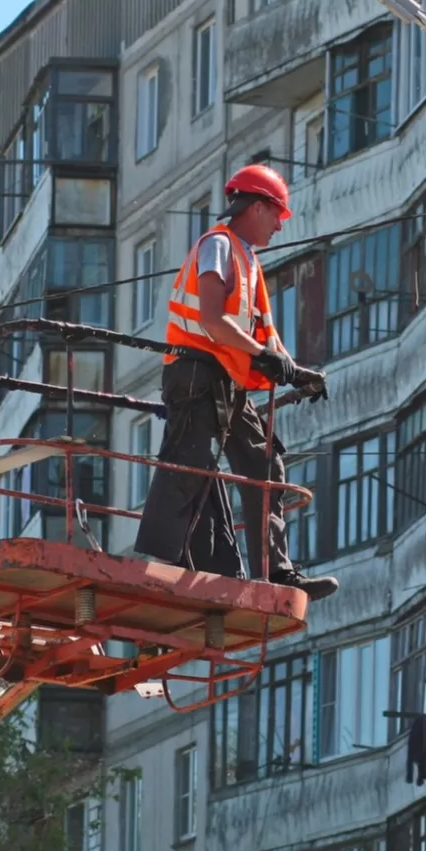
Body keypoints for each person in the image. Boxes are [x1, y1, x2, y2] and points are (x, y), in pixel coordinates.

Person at [134, 164, 340, 601]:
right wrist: (263, 356)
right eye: (278, 215)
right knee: (190, 462)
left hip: (226, 378)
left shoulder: (248, 261)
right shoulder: (219, 246)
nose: (280, 226)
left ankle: (277, 572)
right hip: (195, 372)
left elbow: (264, 342)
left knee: (265, 464)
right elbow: (211, 319)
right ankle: (155, 562)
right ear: (260, 206)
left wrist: (298, 373)